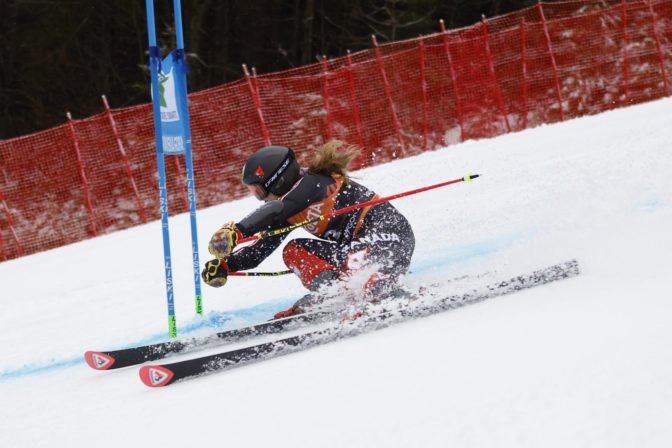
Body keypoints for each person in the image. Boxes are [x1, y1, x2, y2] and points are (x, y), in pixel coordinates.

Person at [201, 140, 415, 318]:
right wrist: (226, 265)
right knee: (294, 250)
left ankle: (383, 291)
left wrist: (238, 230)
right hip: (354, 248)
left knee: (355, 263)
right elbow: (258, 252)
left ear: (277, 181)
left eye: (258, 191)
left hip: (391, 236)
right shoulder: (287, 210)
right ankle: (330, 292)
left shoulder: (312, 183)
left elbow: (277, 207)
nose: (260, 199)